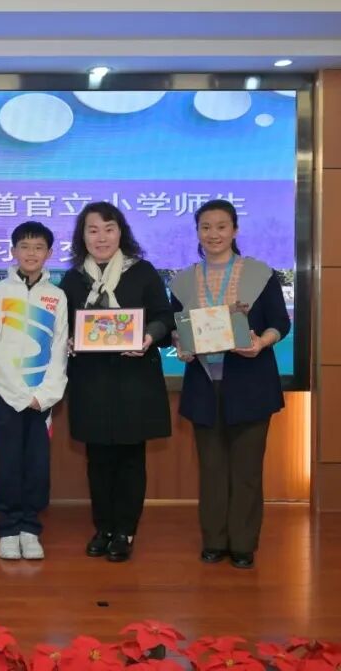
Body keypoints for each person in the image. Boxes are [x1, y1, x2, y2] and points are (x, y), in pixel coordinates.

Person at [170, 199, 290, 570]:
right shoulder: (183, 280)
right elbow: (177, 329)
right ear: (197, 232)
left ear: (235, 230)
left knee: (247, 470)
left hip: (250, 383)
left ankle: (243, 543)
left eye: (221, 226)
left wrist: (262, 342)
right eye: (205, 227)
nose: (214, 234)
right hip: (204, 385)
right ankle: (214, 541)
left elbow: (280, 322)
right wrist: (180, 346)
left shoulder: (260, 274)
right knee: (212, 469)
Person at [59, 202, 174, 563]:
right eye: (93, 230)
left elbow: (165, 317)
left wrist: (148, 336)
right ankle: (103, 528)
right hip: (91, 382)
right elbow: (61, 326)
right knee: (97, 459)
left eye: (109, 229)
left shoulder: (142, 272)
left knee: (130, 458)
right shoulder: (73, 279)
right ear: (82, 236)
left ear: (120, 232)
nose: (101, 237)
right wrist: (67, 340)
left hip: (134, 381)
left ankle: (125, 530)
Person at [0, 221, 69, 561]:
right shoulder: (0, 292)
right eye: (25, 246)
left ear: (49, 253)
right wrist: (17, 394)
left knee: (36, 464)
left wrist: (43, 395)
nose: (31, 253)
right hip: (5, 397)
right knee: (5, 463)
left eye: (38, 247)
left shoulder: (56, 296)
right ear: (13, 251)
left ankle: (30, 528)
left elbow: (59, 348)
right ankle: (8, 528)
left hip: (39, 399)